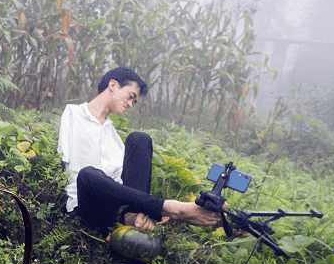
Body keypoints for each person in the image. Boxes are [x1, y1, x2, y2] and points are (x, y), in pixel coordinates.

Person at [57, 67, 221, 236]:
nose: (130, 104)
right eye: (130, 97)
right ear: (113, 85)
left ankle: (135, 216)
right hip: (87, 203)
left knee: (139, 138)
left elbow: (128, 180)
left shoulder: (112, 135)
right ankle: (170, 208)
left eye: (134, 102)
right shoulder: (73, 113)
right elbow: (66, 162)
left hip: (115, 208)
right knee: (88, 174)